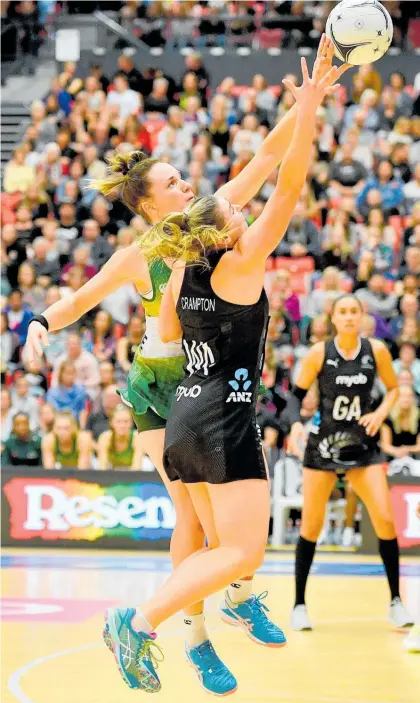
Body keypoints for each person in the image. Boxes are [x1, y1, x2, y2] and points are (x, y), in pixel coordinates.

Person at [25, 36, 347, 695]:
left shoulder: (206, 224)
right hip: (163, 391)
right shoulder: (154, 251)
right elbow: (82, 301)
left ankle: (229, 593)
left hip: (194, 381)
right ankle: (193, 630)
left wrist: (303, 103)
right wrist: (37, 323)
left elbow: (268, 158)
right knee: (202, 526)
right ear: (150, 202)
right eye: (173, 181)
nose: (189, 183)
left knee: (219, 530)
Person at [287, 294, 413, 632]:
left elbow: (393, 389)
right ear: (333, 317)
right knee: (311, 527)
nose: (348, 317)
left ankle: (395, 601)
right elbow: (292, 398)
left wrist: (381, 412)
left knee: (385, 519)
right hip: (324, 442)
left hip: (362, 443)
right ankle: (299, 604)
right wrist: (296, 423)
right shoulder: (319, 353)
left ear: (361, 316)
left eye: (353, 312)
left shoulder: (377, 351)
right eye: (342, 312)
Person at [97, 405, 144, 470]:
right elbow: (102, 467)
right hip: (113, 469)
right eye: (118, 421)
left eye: (126, 421)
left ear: (131, 423)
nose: (122, 425)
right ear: (111, 423)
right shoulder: (105, 438)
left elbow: (137, 467)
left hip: (132, 471)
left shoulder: (137, 437)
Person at [380, 385, 420, 458]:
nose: (406, 399)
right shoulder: (387, 418)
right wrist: (396, 451)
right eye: (403, 396)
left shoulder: (418, 416)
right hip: (392, 458)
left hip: (414, 458)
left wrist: (406, 449)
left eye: (410, 396)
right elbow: (385, 445)